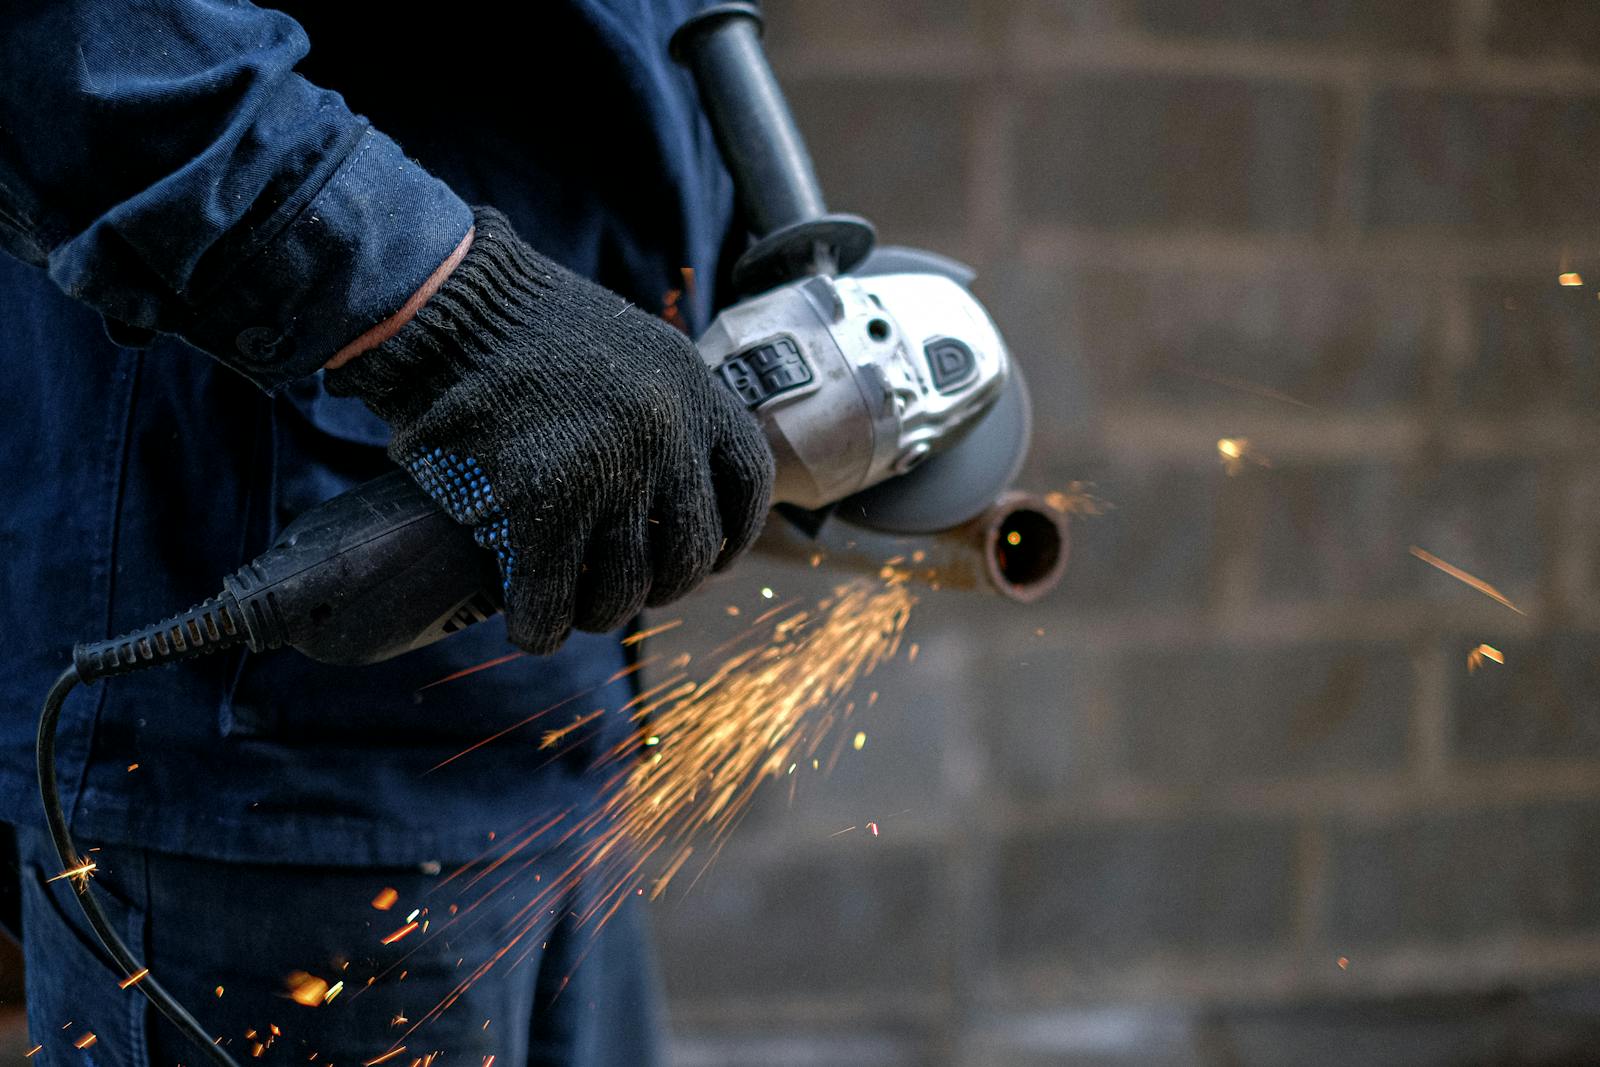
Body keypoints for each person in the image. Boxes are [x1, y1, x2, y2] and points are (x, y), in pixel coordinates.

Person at [0, 2, 775, 1063]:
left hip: (544, 723)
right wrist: (451, 315)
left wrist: (758, 266)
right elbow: (82, 42)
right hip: (266, 745)